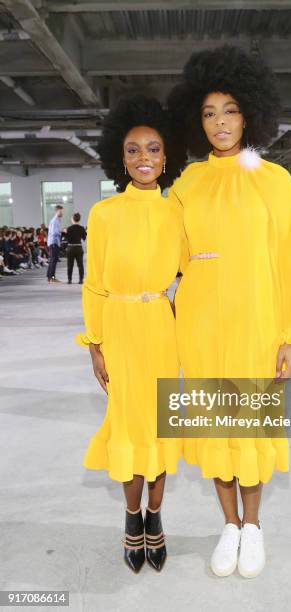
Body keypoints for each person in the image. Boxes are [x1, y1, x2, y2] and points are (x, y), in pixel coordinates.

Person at [167, 45, 291, 579]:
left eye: (229, 110)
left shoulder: (273, 179)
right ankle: (228, 525)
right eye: (208, 113)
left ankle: (254, 527)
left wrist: (288, 334)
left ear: (249, 113)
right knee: (214, 427)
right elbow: (171, 253)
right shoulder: (186, 183)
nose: (219, 122)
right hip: (200, 322)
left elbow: (285, 263)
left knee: (248, 426)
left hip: (254, 323)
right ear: (195, 119)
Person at [75, 95, 186, 574]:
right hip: (119, 330)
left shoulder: (176, 211)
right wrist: (95, 345)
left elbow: (196, 271)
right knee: (127, 425)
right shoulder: (103, 214)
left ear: (167, 156)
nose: (144, 158)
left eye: (154, 148)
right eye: (134, 149)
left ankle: (155, 518)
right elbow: (94, 284)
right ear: (120, 158)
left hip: (162, 328)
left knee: (160, 425)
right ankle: (131, 517)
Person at [66, 212, 86, 284]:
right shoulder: (81, 228)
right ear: (79, 219)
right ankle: (81, 280)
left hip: (70, 248)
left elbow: (66, 239)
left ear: (72, 219)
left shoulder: (69, 228)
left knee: (70, 265)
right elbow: (84, 238)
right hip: (78, 248)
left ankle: (69, 280)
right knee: (80, 265)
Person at [46, 204, 64, 283]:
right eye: (61, 211)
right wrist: (62, 231)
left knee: (53, 260)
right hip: (54, 243)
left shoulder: (57, 220)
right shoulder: (55, 221)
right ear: (57, 211)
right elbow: (54, 232)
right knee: (53, 261)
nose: (62, 213)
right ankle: (51, 278)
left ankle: (50, 278)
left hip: (54, 242)